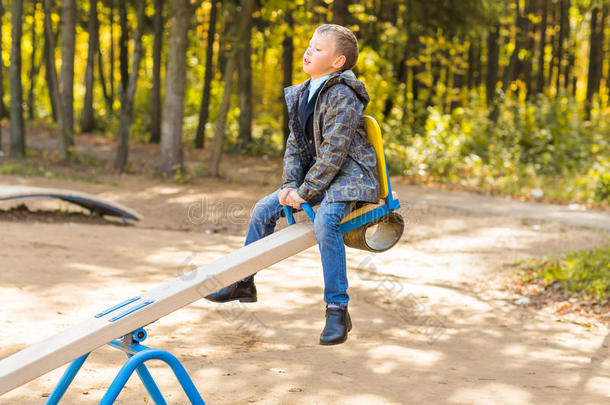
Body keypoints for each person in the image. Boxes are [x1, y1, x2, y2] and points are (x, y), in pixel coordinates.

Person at [206, 24, 379, 345]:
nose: (308, 51)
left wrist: (306, 192)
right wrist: (289, 186)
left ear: (338, 62)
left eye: (318, 49)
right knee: (262, 210)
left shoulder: (343, 95)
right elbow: (295, 147)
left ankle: (337, 309)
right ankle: (244, 281)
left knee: (326, 222)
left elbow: (334, 152)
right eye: (309, 45)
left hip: (350, 178)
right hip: (320, 179)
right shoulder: (302, 93)